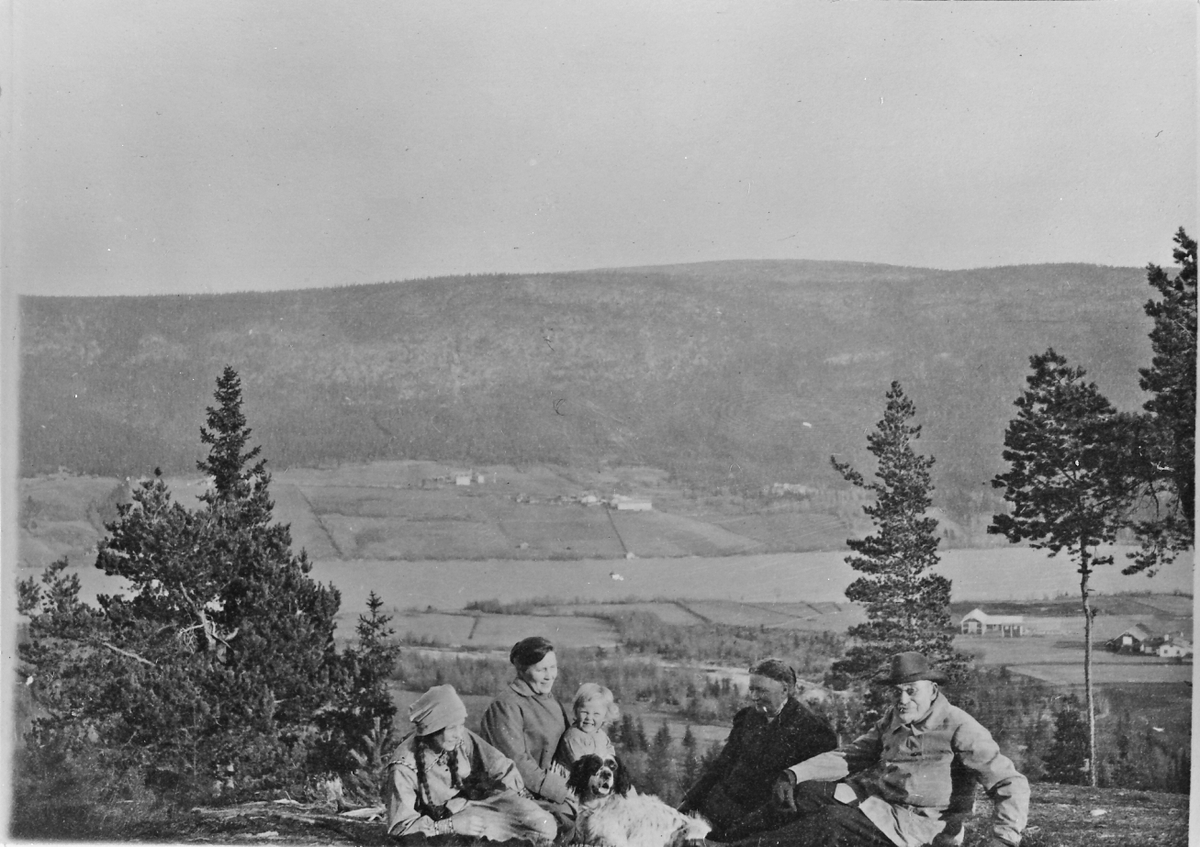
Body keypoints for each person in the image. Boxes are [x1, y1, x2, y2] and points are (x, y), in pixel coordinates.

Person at [741, 652, 1030, 847]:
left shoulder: (959, 726)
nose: (902, 699)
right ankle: (724, 837)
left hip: (920, 829)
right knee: (805, 792)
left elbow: (1010, 782)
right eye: (896, 691)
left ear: (932, 689)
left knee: (832, 822)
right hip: (882, 808)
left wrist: (1004, 838)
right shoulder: (893, 719)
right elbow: (850, 755)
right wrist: (793, 774)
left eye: (911, 690)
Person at [677, 658, 838, 841]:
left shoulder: (814, 732)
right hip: (718, 812)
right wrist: (689, 803)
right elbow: (720, 767)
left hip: (759, 828)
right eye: (752, 689)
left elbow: (800, 799)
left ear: (785, 690)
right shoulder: (747, 718)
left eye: (761, 690)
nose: (754, 697)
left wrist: (736, 833)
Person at [384, 684, 556, 843]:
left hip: (476, 802)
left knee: (544, 825)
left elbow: (498, 764)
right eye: (451, 728)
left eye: (461, 725)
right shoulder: (403, 767)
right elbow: (400, 829)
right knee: (491, 835)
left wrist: (519, 797)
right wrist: (450, 825)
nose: (459, 734)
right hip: (448, 819)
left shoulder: (459, 738)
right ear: (432, 729)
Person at [480, 636, 577, 831]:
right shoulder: (506, 705)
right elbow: (516, 762)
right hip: (517, 793)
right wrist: (561, 790)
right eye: (541, 670)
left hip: (549, 789)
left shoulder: (549, 700)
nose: (550, 676)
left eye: (553, 667)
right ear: (522, 670)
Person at [555, 682, 620, 769]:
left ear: (605, 716)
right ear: (576, 711)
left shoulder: (601, 735)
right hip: (575, 777)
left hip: (596, 774)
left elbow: (610, 751)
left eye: (596, 714)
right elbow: (580, 766)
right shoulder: (574, 736)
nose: (589, 718)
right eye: (584, 712)